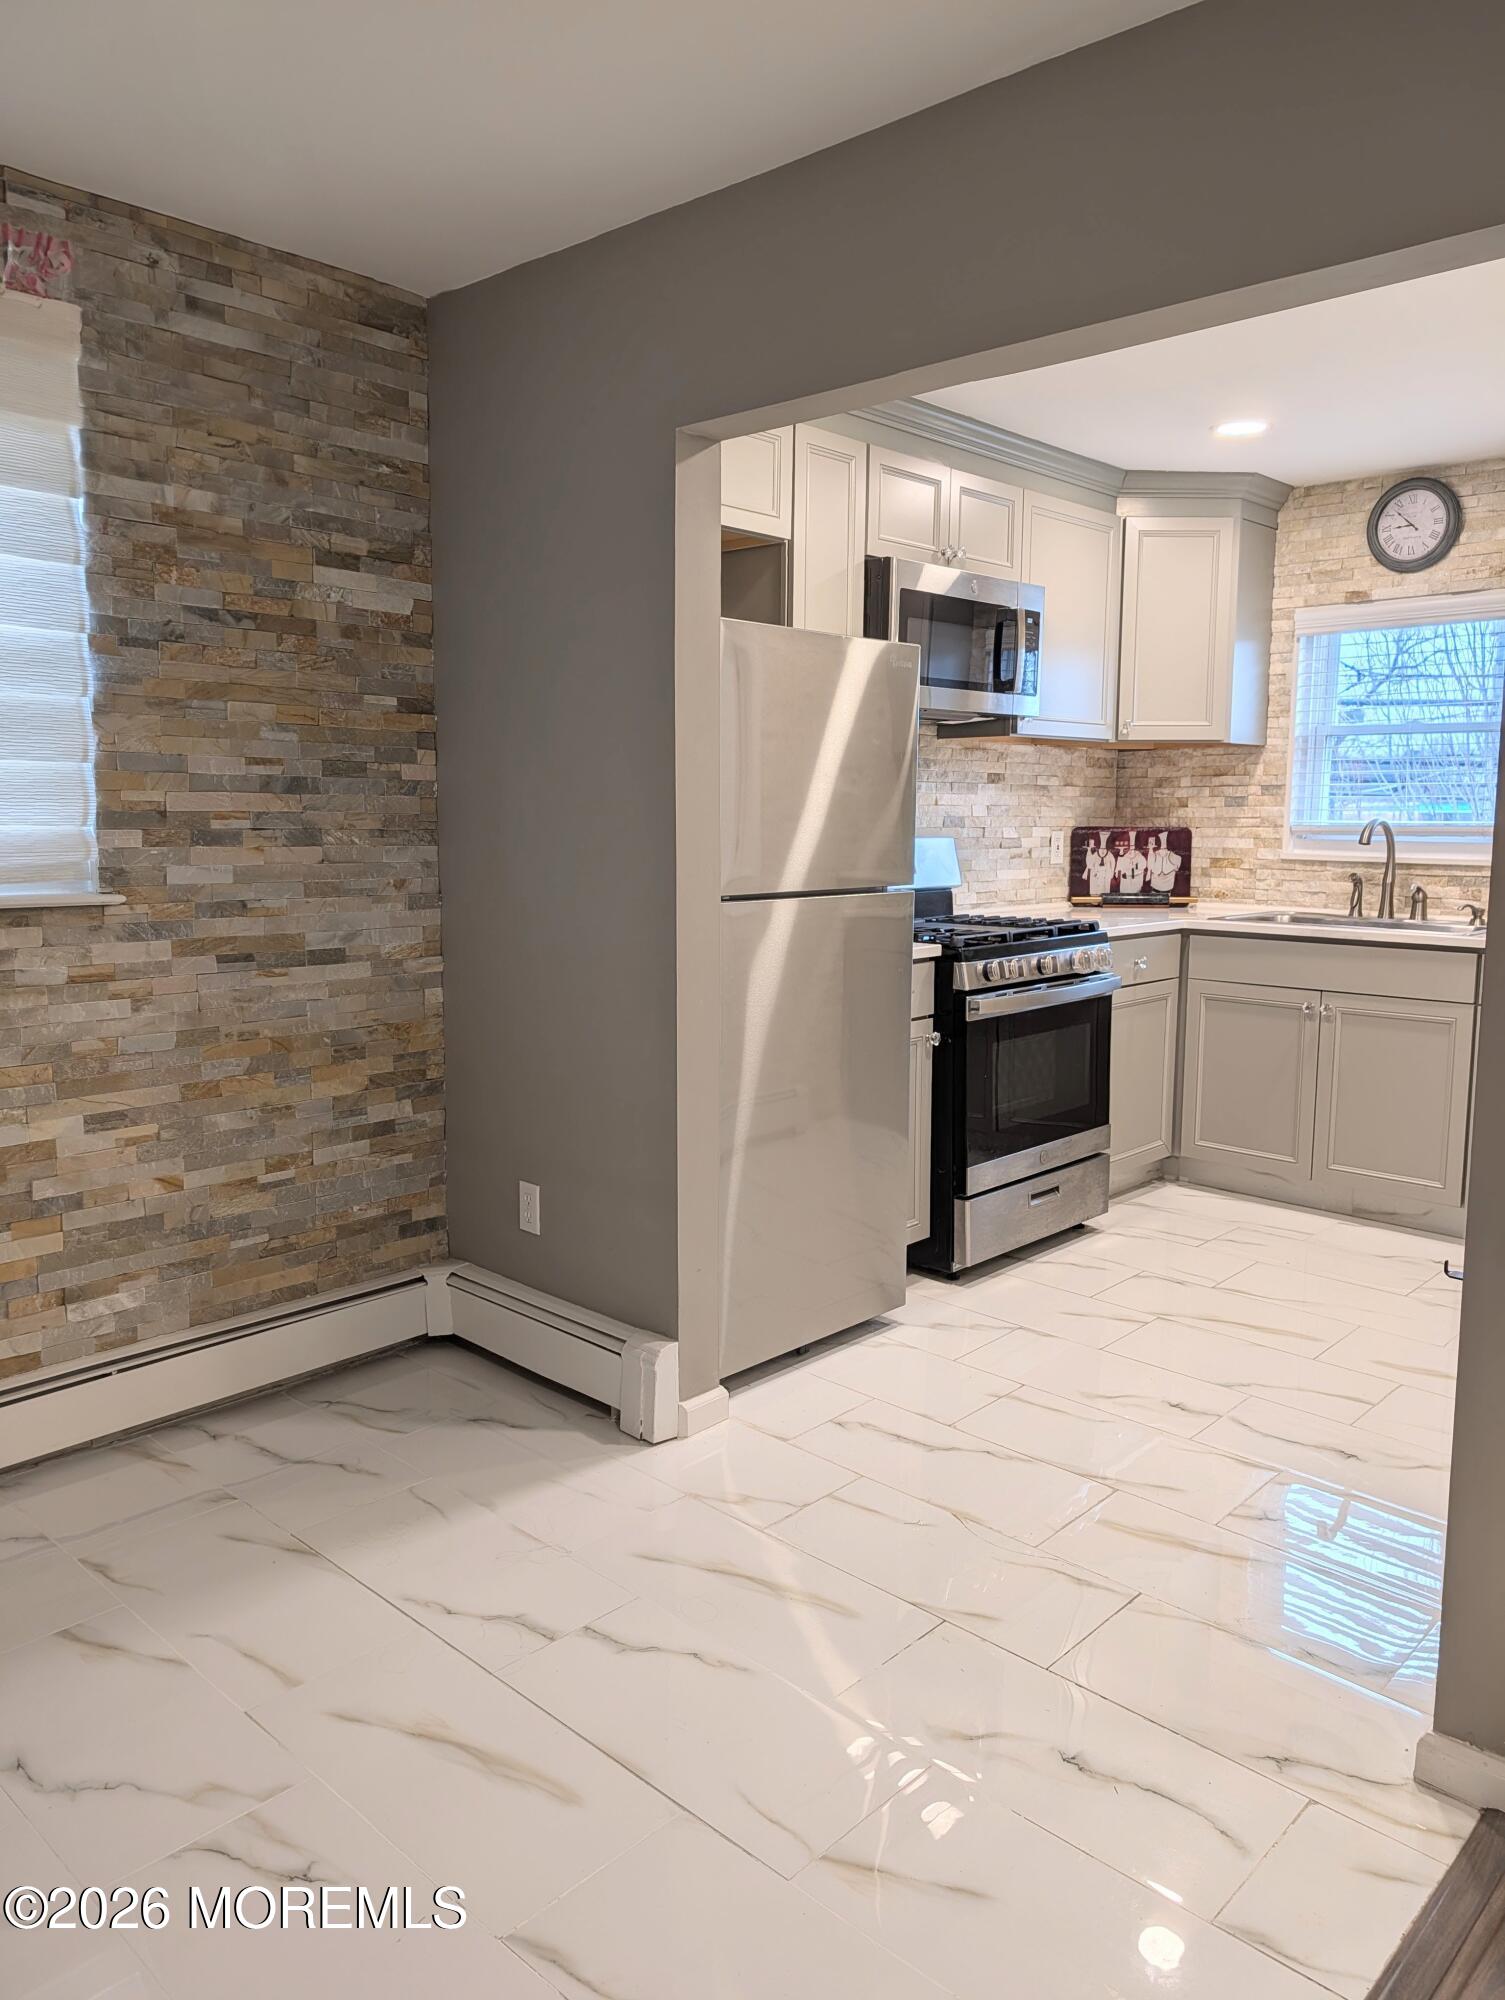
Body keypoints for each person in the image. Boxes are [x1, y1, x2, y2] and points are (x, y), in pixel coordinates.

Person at [1148, 832, 1181, 896]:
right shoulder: (1154, 855)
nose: (1162, 851)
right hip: (1155, 886)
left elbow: (1177, 864)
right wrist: (1150, 850)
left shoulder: (1174, 857)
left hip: (1167, 887)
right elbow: (1150, 865)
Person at [1084, 833, 1116, 899]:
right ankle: (1095, 899)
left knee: (1104, 888)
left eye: (1104, 850)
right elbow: (1089, 863)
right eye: (1102, 850)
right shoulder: (1095, 854)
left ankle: (1104, 899)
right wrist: (1089, 850)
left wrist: (1111, 872)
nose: (1103, 852)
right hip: (1097, 874)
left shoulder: (1110, 855)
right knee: (1096, 888)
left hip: (1105, 873)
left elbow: (1113, 864)